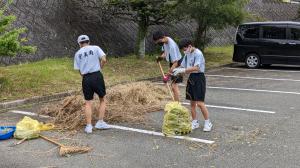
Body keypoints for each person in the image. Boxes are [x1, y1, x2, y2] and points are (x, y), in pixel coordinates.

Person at [173, 39, 212, 131]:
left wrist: (183, 70)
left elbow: (196, 68)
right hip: (191, 78)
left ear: (190, 46)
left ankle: (208, 122)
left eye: (185, 49)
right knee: (192, 103)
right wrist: (176, 70)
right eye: (183, 50)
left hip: (199, 78)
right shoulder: (187, 54)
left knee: (200, 103)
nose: (184, 51)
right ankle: (194, 122)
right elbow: (183, 66)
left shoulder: (198, 53)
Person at [74, 35, 110, 134]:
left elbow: (79, 70)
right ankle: (100, 122)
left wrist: (85, 77)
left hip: (86, 78)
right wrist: (100, 68)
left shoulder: (77, 53)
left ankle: (89, 126)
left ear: (79, 44)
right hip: (97, 75)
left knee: (88, 102)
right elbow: (104, 59)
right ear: (89, 41)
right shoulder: (96, 48)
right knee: (102, 99)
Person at [153, 31, 183, 102]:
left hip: (177, 64)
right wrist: (160, 57)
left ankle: (177, 105)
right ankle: (176, 103)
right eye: (157, 42)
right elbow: (165, 52)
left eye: (159, 41)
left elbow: (176, 63)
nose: (159, 43)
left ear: (162, 37)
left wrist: (167, 75)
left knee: (174, 87)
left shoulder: (171, 45)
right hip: (173, 63)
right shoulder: (165, 41)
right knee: (174, 86)